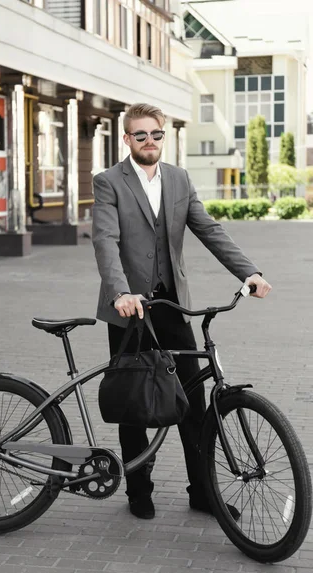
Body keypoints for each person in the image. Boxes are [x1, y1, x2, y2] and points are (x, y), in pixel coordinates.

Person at [91, 103, 271, 520]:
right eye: (140, 135)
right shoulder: (108, 182)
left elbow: (209, 229)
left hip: (171, 306)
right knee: (134, 403)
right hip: (130, 309)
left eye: (156, 134)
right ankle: (138, 491)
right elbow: (104, 240)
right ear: (127, 139)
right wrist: (120, 291)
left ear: (162, 136)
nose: (149, 141)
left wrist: (250, 272)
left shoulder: (178, 178)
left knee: (193, 401)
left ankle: (202, 492)